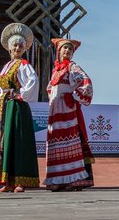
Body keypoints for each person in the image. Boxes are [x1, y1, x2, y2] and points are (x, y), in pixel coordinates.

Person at [0, 23, 40, 193]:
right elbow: (2, 89)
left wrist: (19, 95)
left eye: (20, 45)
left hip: (18, 107)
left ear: (24, 49)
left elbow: (32, 82)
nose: (17, 48)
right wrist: (3, 96)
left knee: (19, 140)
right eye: (15, 45)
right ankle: (8, 181)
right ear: (9, 48)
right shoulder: (6, 67)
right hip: (7, 106)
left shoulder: (24, 65)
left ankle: (21, 180)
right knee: (7, 141)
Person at [44, 38, 95, 192]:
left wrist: (73, 96)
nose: (67, 51)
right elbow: (50, 88)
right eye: (64, 49)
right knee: (56, 143)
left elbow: (87, 83)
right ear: (59, 51)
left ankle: (72, 179)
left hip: (66, 110)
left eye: (70, 50)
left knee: (67, 141)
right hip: (55, 110)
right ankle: (57, 179)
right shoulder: (55, 70)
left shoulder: (73, 67)